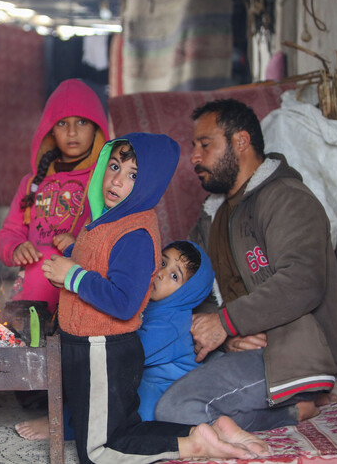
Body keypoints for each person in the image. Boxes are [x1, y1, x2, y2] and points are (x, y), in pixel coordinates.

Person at [40, 133, 270, 464]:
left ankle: (192, 446)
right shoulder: (108, 221)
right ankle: (198, 434)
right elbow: (102, 262)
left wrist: (72, 275)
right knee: (118, 431)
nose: (117, 179)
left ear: (148, 184)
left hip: (103, 347)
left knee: (96, 451)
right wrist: (73, 253)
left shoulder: (134, 234)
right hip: (88, 345)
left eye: (133, 175)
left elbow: (124, 302)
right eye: (115, 166)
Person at [154, 98, 337, 432]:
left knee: (174, 409)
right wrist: (227, 335)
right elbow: (197, 293)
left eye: (205, 144)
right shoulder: (212, 215)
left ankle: (290, 412)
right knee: (147, 388)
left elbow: (303, 281)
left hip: (289, 353)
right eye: (194, 146)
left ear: (241, 142)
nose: (195, 157)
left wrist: (226, 322)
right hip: (236, 346)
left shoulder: (287, 198)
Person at [0, 78, 110, 314]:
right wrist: (15, 248)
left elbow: (113, 235)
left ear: (97, 127)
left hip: (79, 297)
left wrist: (80, 243)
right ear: (49, 129)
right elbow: (9, 232)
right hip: (30, 297)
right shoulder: (31, 183)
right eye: (62, 124)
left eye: (81, 122)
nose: (71, 132)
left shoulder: (106, 180)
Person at [137, 240, 213, 421]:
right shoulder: (151, 303)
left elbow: (128, 353)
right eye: (162, 263)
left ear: (187, 293)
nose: (161, 274)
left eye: (174, 276)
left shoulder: (171, 323)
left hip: (168, 394)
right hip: (148, 380)